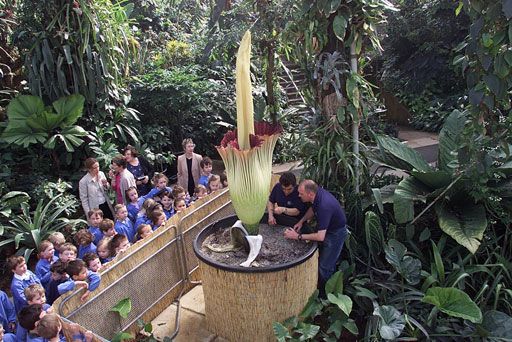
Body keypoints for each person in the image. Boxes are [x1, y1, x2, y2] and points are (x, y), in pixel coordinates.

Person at [284, 179, 348, 292]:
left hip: (335, 234)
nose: (299, 195)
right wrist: (301, 221)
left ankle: (327, 295)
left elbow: (320, 237)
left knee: (324, 267)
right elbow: (313, 209)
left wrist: (298, 236)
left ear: (310, 194)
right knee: (324, 258)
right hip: (328, 229)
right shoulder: (317, 195)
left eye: (301, 193)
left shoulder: (324, 206)